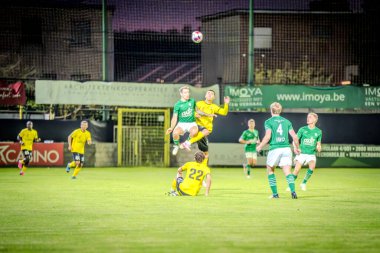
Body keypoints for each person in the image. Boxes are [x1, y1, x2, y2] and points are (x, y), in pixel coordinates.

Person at [256, 102, 300, 199]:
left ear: (271, 110)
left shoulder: (268, 121)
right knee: (287, 171)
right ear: (280, 111)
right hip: (286, 148)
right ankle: (293, 192)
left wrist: (260, 146)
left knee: (270, 170)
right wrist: (297, 148)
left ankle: (275, 194)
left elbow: (268, 137)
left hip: (275, 148)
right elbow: (295, 137)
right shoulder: (287, 122)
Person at [181, 90, 230, 164]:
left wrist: (226, 104)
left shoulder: (214, 107)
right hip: (197, 125)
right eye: (208, 93)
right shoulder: (199, 103)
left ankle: (188, 143)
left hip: (207, 127)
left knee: (205, 149)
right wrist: (195, 114)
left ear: (214, 97)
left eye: (212, 94)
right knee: (202, 134)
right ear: (205, 96)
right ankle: (188, 142)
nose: (210, 94)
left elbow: (224, 112)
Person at [291, 113, 322, 191]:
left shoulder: (318, 131)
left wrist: (319, 147)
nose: (308, 118)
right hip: (302, 153)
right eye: (308, 117)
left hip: (311, 153)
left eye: (310, 117)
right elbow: (295, 140)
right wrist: (295, 147)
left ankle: (303, 183)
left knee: (312, 167)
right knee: (297, 170)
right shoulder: (302, 129)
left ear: (315, 120)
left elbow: (318, 143)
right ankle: (290, 184)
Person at [165, 86, 198, 156]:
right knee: (175, 133)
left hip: (191, 123)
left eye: (188, 92)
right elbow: (174, 117)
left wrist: (206, 114)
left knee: (195, 131)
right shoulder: (177, 105)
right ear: (181, 94)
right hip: (182, 124)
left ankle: (186, 143)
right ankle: (177, 145)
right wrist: (171, 127)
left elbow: (197, 111)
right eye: (185, 92)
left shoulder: (192, 101)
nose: (187, 94)